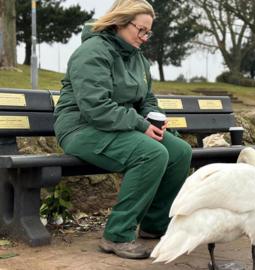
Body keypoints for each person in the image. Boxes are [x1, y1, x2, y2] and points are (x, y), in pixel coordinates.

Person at [53, 0, 192, 259]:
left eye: (148, 32)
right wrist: (141, 125)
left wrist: (154, 117)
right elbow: (96, 107)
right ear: (120, 23)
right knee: (151, 153)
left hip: (119, 126)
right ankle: (117, 235)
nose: (145, 37)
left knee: (180, 152)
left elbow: (145, 99)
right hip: (81, 128)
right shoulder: (92, 52)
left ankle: (155, 225)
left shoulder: (137, 57)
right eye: (140, 30)